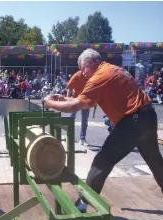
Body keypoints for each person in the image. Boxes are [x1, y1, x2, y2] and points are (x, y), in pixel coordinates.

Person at [43, 48, 163, 211]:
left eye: (82, 68)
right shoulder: (111, 69)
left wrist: (47, 103)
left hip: (132, 122)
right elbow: (83, 101)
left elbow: (74, 106)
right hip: (147, 116)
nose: (82, 73)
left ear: (91, 63)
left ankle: (81, 205)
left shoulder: (99, 76)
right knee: (155, 161)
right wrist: (64, 98)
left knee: (102, 161)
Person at [66, 56, 90, 146]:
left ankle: (82, 139)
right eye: (83, 68)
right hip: (76, 99)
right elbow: (69, 88)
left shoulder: (90, 76)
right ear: (81, 68)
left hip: (85, 100)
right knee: (71, 118)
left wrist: (94, 101)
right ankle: (69, 136)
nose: (85, 71)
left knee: (84, 121)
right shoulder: (76, 76)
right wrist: (68, 100)